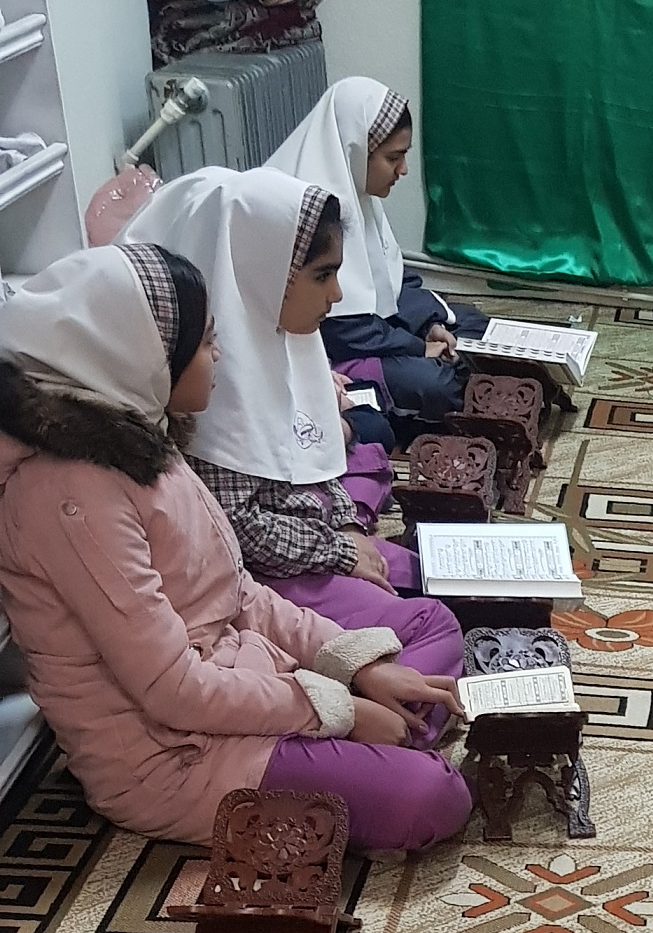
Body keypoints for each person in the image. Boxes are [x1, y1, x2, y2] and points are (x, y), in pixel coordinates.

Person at [0, 243, 467, 852]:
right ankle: (390, 746)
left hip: (227, 692)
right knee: (432, 796)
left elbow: (236, 591)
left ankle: (388, 738)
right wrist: (341, 711)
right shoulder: (72, 494)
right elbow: (172, 689)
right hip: (167, 759)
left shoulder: (136, 436)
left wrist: (359, 668)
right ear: (142, 355)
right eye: (204, 343)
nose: (219, 354)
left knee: (421, 652)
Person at [125, 171, 458, 707]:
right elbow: (238, 531)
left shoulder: (282, 338)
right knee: (431, 621)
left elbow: (316, 457)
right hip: (270, 577)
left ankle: (377, 702)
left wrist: (346, 527)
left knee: (431, 573)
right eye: (323, 275)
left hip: (308, 540)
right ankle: (369, 718)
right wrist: (339, 550)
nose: (337, 294)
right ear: (264, 271)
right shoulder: (206, 384)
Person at [267, 79, 488, 424]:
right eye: (393, 158)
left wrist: (429, 325)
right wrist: (418, 347)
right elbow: (341, 329)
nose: (404, 170)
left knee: (475, 328)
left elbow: (390, 276)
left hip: (371, 331)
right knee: (437, 383)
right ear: (356, 150)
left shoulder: (356, 192)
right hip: (333, 349)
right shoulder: (308, 212)